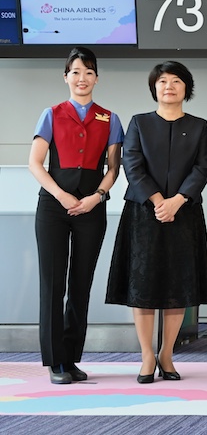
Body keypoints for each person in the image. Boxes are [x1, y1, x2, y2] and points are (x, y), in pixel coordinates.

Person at [106, 61, 207, 383]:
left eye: (176, 81)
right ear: (154, 88)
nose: (169, 86)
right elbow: (132, 166)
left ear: (186, 88)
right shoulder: (139, 123)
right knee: (145, 286)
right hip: (144, 214)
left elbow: (202, 169)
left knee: (176, 287)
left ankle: (167, 354)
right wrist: (158, 201)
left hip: (184, 213)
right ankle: (147, 356)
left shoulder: (199, 126)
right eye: (162, 81)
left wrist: (177, 200)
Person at [28, 46, 124, 385]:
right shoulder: (51, 114)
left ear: (97, 77)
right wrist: (61, 194)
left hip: (91, 208)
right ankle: (55, 362)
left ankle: (70, 359)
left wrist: (97, 197)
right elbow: (35, 163)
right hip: (54, 206)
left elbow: (113, 169)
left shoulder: (110, 118)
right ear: (66, 76)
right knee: (52, 284)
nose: (82, 78)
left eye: (88, 72)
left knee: (80, 284)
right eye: (75, 72)